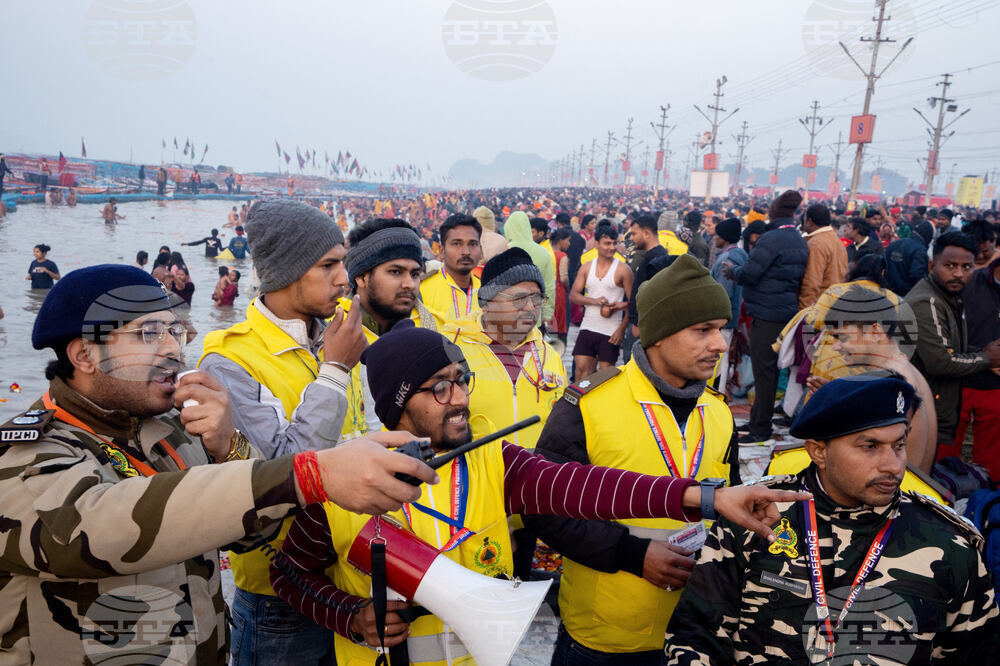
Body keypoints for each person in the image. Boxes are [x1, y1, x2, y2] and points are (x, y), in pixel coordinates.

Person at [270, 321, 810, 665]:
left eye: (462, 378)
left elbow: (585, 487)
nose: (459, 398)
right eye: (439, 387)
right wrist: (350, 614)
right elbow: (288, 573)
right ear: (396, 404)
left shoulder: (491, 462)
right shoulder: (341, 479)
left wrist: (707, 498)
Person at [0, 264, 438, 664]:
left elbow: (253, 536)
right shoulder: (25, 452)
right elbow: (93, 529)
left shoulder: (171, 427)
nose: (174, 350)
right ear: (84, 355)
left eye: (177, 332)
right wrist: (310, 473)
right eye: (150, 334)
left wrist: (229, 445)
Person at [666, 375, 1000, 664]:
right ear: (819, 451)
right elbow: (696, 636)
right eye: (869, 446)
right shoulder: (755, 520)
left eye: (899, 444)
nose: (893, 465)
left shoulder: (949, 543)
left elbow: (976, 654)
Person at [525, 254, 740, 665]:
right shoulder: (588, 404)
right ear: (660, 334)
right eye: (703, 330)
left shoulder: (719, 411)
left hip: (691, 634)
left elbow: (725, 506)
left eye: (720, 329)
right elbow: (543, 507)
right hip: (604, 637)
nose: (720, 344)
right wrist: (632, 554)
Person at [198, 200, 372, 663]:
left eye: (345, 262)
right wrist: (334, 370)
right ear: (288, 270)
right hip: (279, 594)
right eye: (328, 265)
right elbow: (282, 473)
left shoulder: (340, 335)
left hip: (348, 579)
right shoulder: (230, 359)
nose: (344, 279)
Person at [441, 247, 567, 448]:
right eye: (518, 299)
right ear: (487, 303)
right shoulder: (450, 349)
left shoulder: (549, 355)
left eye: (536, 298)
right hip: (475, 476)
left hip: (535, 475)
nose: (529, 307)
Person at [906, 231, 1000, 457]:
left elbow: (952, 348)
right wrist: (987, 358)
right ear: (931, 266)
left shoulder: (949, 297)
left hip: (933, 410)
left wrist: (985, 353)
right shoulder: (927, 302)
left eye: (966, 267)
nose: (959, 274)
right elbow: (942, 361)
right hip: (920, 413)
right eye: (950, 265)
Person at [726, 190, 809, 444]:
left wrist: (733, 271)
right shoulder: (798, 239)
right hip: (785, 311)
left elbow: (751, 273)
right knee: (769, 371)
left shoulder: (771, 240)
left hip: (766, 312)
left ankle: (760, 428)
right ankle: (758, 422)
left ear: (773, 212)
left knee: (764, 372)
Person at [955, 240, 1000, 476]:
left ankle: (987, 504)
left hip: (996, 389)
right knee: (944, 456)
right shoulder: (970, 281)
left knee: (993, 463)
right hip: (958, 379)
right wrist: (983, 356)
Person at [571, 222, 633, 379]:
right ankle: (580, 403)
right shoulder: (586, 267)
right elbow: (573, 296)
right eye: (607, 243)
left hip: (611, 331)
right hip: (588, 326)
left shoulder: (623, 269)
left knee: (605, 378)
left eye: (614, 243)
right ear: (596, 244)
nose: (611, 247)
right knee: (581, 372)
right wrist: (594, 301)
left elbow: (634, 304)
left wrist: (621, 330)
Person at [419, 213, 482, 327]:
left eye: (472, 244)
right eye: (457, 244)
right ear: (442, 251)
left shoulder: (489, 292)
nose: (466, 252)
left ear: (481, 251)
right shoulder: (421, 291)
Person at [711, 217, 748, 392]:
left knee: (718, 359)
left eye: (717, 235)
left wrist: (716, 319)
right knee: (723, 357)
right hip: (735, 315)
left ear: (724, 238)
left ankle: (717, 392)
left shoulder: (726, 259)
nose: (714, 238)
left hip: (724, 318)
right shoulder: (741, 254)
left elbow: (722, 294)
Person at [626, 215, 667, 359]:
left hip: (644, 327)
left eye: (634, 233)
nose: (631, 238)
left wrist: (638, 323)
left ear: (647, 233)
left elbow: (653, 296)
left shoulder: (657, 258)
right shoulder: (651, 255)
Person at [504, 211, 556, 323]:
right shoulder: (543, 252)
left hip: (507, 318)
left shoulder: (504, 250)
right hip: (534, 316)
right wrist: (547, 313)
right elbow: (549, 287)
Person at [798, 203, 848, 310]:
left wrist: (803, 314)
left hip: (818, 307)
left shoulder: (816, 243)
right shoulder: (837, 241)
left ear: (809, 221)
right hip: (833, 305)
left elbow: (811, 283)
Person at [884, 219, 933, 297]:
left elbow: (884, 266)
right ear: (928, 236)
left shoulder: (894, 244)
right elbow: (917, 274)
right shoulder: (920, 249)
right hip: (907, 295)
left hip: (888, 293)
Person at [549, 227, 573, 340]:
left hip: (549, 289)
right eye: (567, 240)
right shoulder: (562, 256)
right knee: (560, 319)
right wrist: (568, 286)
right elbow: (563, 278)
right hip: (559, 291)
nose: (569, 243)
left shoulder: (547, 252)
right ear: (560, 240)